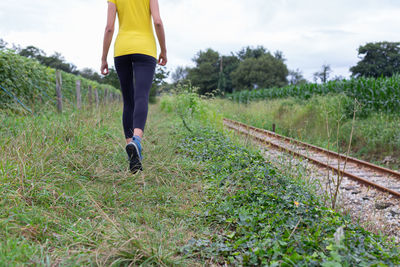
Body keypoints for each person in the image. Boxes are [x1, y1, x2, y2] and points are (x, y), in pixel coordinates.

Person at [101, 0, 167, 173]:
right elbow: (158, 21)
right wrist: (163, 50)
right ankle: (136, 141)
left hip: (122, 50)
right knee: (141, 96)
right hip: (145, 49)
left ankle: (131, 150)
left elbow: (109, 27)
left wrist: (103, 58)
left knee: (128, 101)